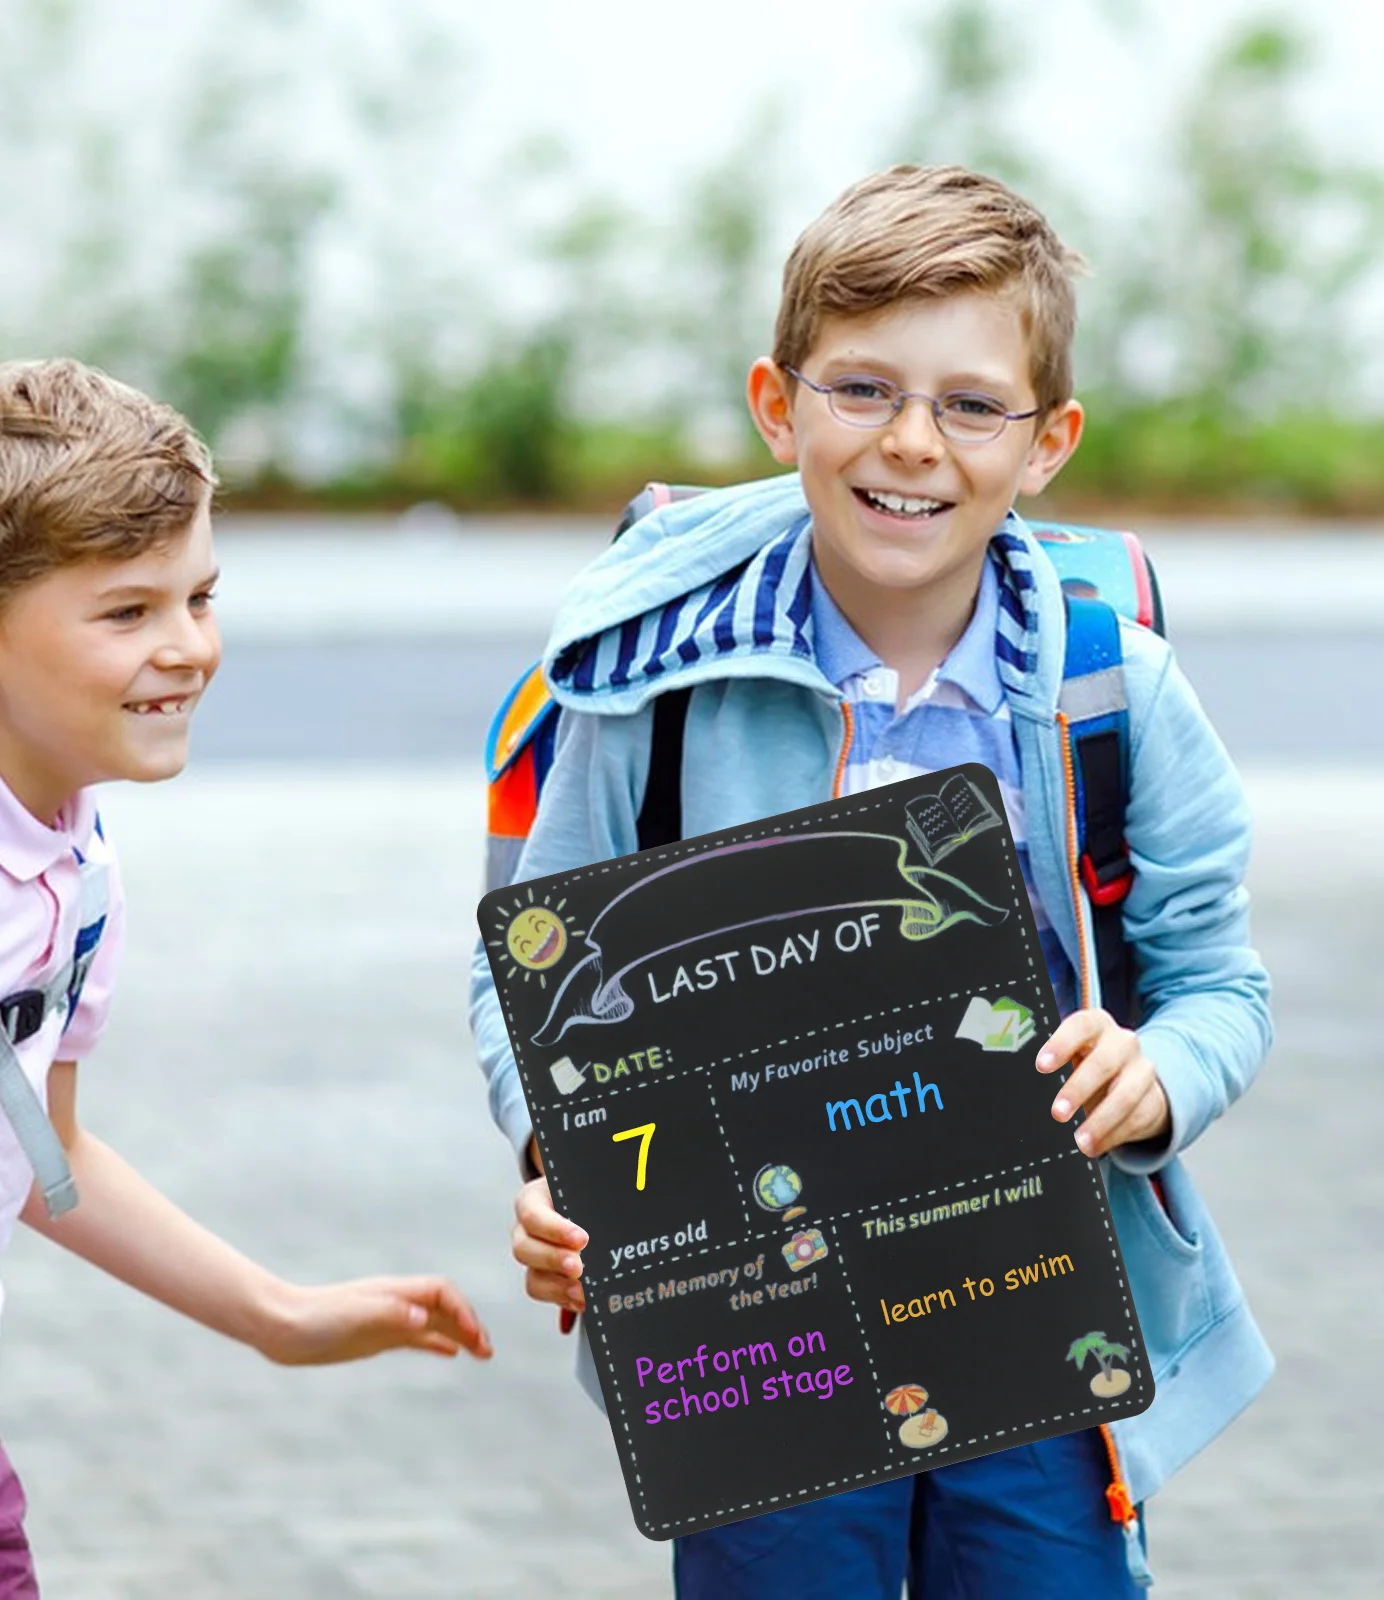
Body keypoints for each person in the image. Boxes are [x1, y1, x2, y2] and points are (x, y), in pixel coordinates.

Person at [470, 165, 1272, 1597]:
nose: (914, 443)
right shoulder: (654, 689)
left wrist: (1156, 1078)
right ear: (779, 406)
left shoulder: (1111, 689)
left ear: (1048, 442)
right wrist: (553, 1152)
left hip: (1030, 1310)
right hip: (753, 1327)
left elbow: (1219, 983)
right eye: (863, 391)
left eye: (973, 404)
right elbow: (526, 965)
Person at [0, 358, 493, 1597]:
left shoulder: (76, 850)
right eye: (127, 613)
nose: (189, 648)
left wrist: (274, 1312)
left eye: (201, 595)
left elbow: (42, 1158)